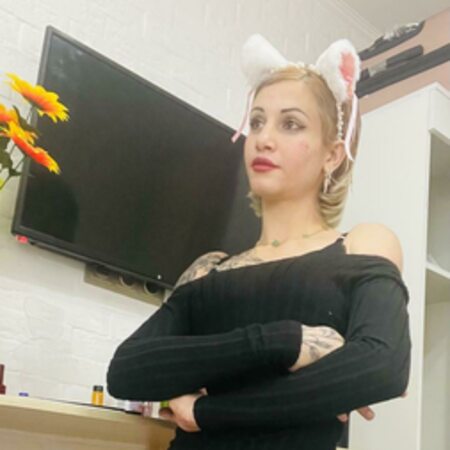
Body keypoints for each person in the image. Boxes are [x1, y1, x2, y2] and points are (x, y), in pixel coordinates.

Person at [107, 34, 411, 450]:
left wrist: (206, 411)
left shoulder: (362, 243)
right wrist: (287, 342)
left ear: (332, 155)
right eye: (256, 122)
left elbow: (383, 367)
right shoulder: (209, 268)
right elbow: (127, 370)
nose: (264, 138)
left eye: (291, 124)